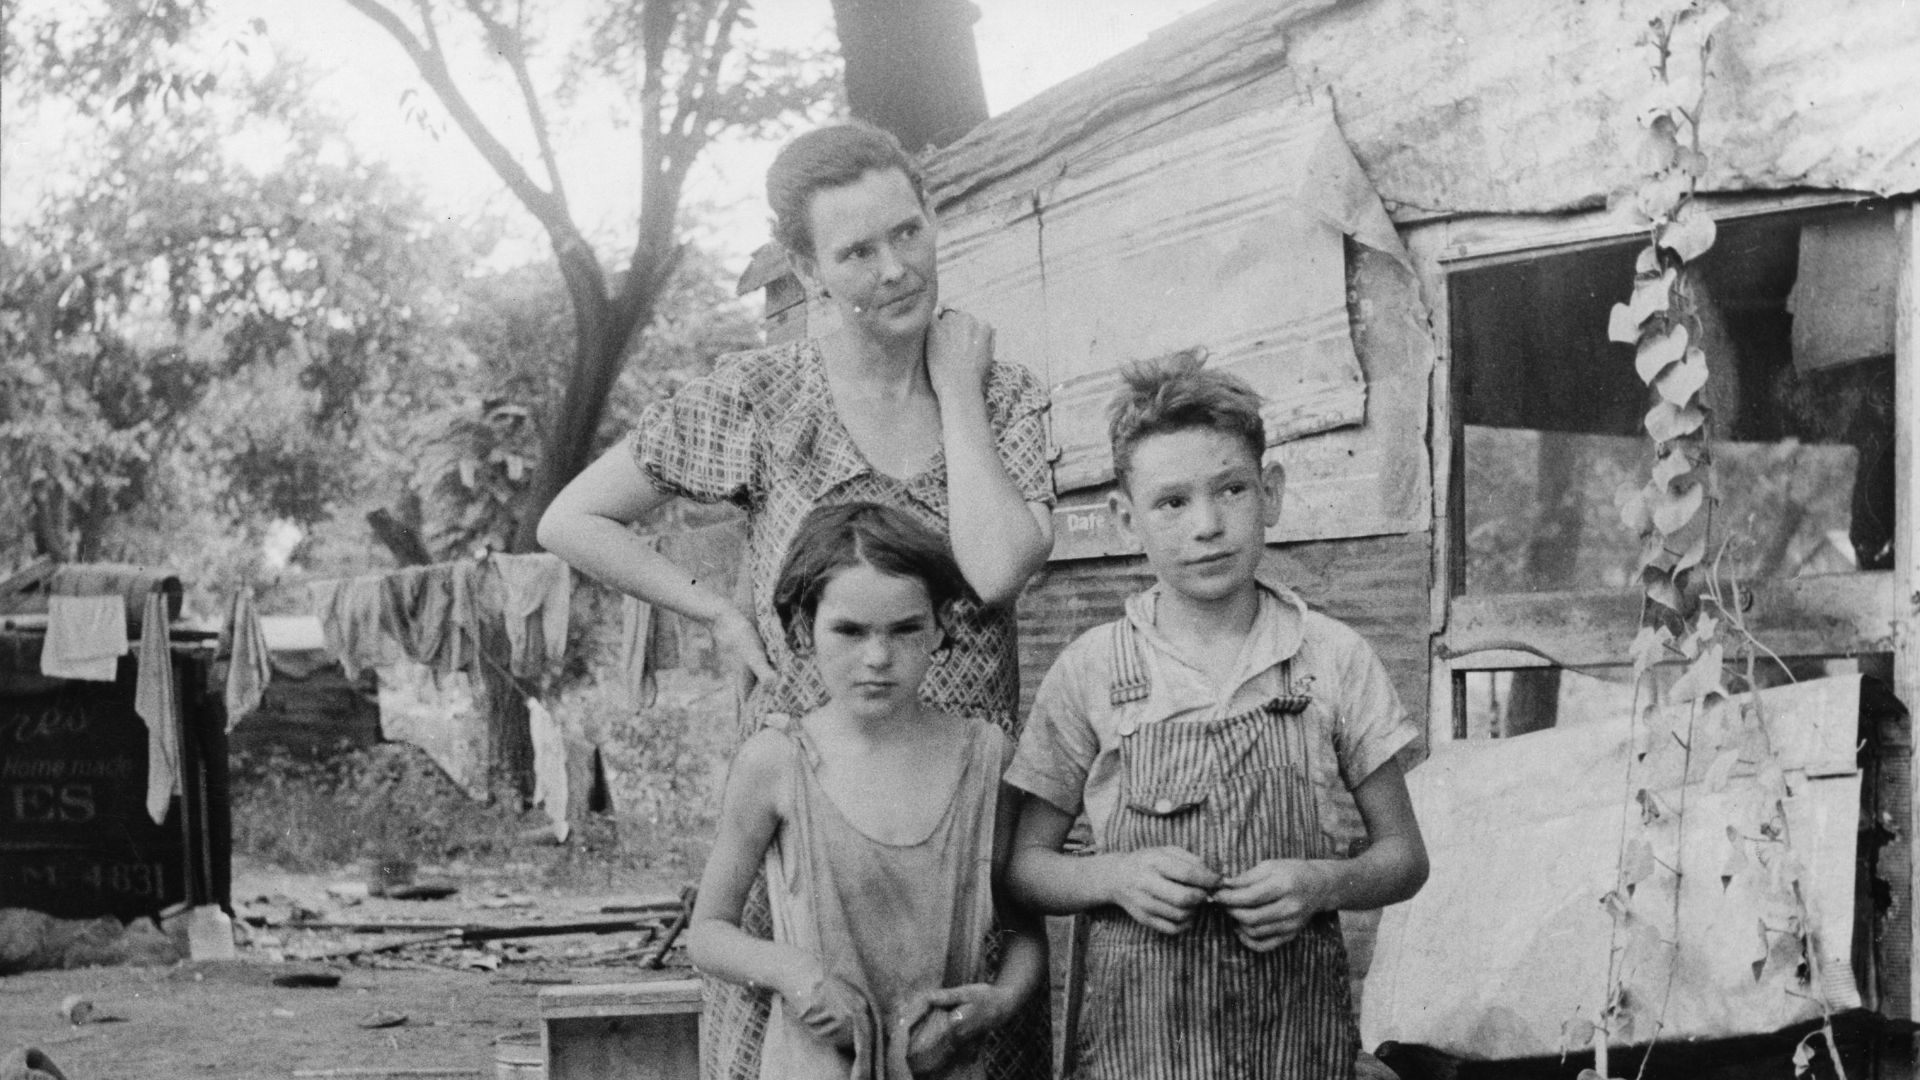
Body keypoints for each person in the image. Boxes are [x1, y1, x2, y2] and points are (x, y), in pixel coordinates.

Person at [535, 121, 1053, 1080]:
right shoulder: (767, 398)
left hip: (961, 823)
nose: (896, 269)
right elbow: (571, 519)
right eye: (856, 251)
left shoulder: (1003, 394)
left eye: (908, 232)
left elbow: (998, 568)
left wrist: (958, 393)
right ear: (808, 271)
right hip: (808, 821)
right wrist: (717, 611)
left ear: (935, 219)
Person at [1005, 355, 1429, 1080]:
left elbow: (1405, 857)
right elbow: (1023, 869)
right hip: (1139, 1053)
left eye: (1231, 490)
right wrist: (1115, 877)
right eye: (1172, 503)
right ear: (1124, 517)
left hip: (1294, 1047)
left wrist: (1322, 884)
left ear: (1270, 494)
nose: (1207, 525)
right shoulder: (1092, 669)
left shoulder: (1330, 655)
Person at [687, 502, 1046, 1080]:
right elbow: (708, 932)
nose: (877, 658)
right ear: (805, 630)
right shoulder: (777, 762)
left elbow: (1022, 928)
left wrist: (993, 1006)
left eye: (905, 630)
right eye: (850, 631)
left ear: (939, 629)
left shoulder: (984, 758)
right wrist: (794, 974)